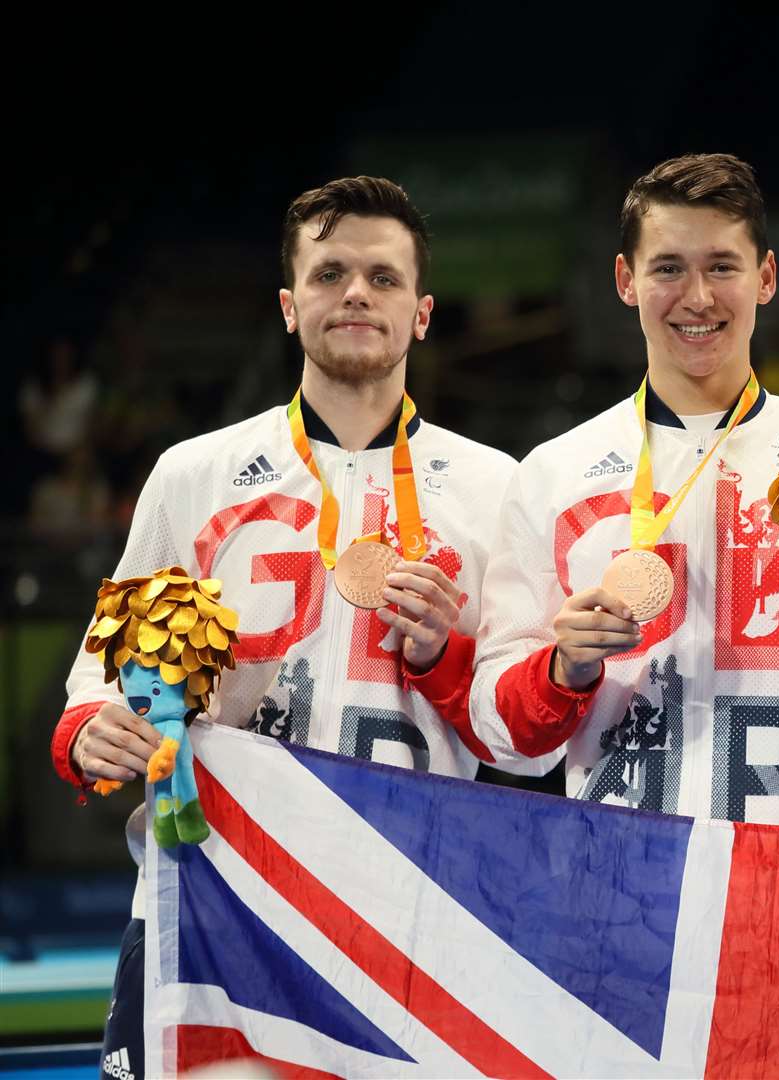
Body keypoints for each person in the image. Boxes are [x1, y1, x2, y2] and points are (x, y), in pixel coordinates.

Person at [50, 176, 520, 1080]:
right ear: (287, 305)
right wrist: (88, 730)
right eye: (330, 272)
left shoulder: (497, 488)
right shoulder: (195, 473)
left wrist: (448, 658)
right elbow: (102, 675)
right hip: (214, 900)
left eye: (383, 279)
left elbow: (524, 735)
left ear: (422, 313)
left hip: (411, 910)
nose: (355, 293)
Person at [470, 153, 779, 829]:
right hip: (620, 889)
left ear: (765, 277)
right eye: (668, 267)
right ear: (625, 280)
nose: (697, 297)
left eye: (722, 266)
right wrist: (564, 667)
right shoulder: (554, 474)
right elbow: (503, 738)